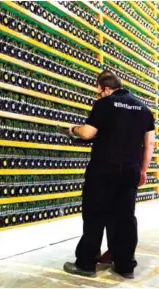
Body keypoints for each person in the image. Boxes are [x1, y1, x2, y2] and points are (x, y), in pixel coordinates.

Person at [63, 70, 156, 279]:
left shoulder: (104, 104)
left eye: (98, 92)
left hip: (103, 170)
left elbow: (88, 133)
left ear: (104, 89)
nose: (98, 95)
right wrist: (143, 170)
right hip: (130, 171)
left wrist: (73, 129)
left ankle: (86, 264)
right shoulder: (143, 109)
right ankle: (125, 266)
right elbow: (150, 143)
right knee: (125, 217)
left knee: (95, 215)